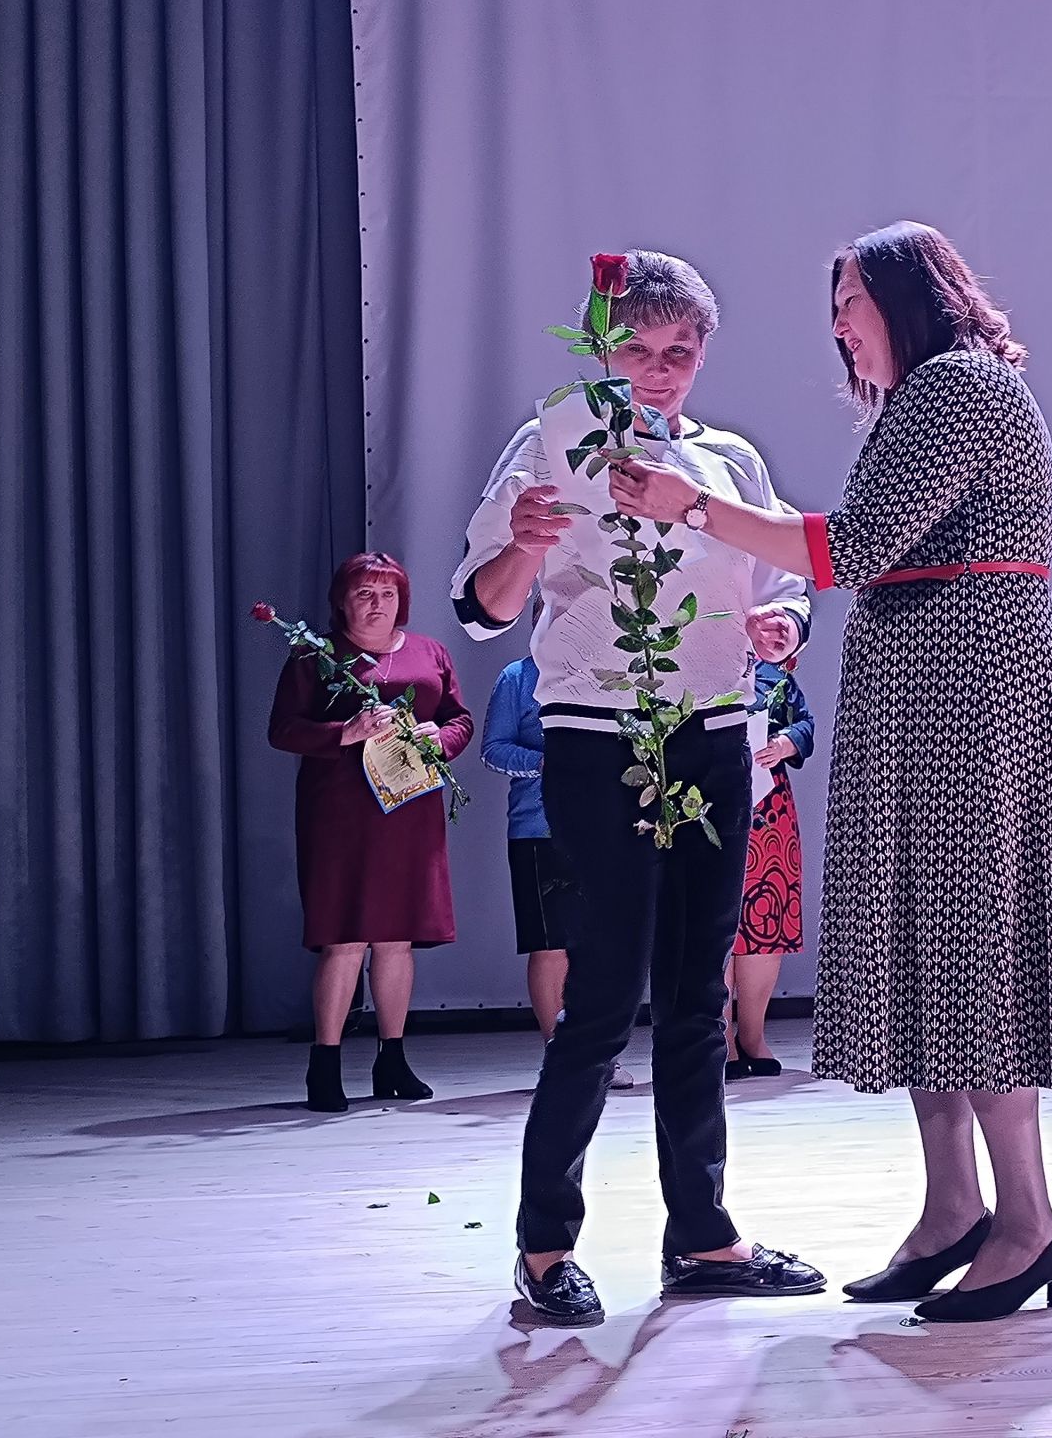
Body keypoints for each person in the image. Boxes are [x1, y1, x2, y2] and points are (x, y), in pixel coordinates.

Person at [611, 219, 1052, 1324]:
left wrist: (691, 504)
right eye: (833, 310)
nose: (839, 327)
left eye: (851, 303)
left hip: (974, 692)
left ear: (907, 295)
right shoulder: (920, 399)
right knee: (931, 944)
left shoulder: (958, 386)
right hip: (931, 692)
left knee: (975, 945)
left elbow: (851, 548)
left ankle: (1028, 1222)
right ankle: (954, 1210)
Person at [453, 250, 819, 1327]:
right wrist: (523, 548)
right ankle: (544, 1246)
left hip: (714, 733)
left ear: (704, 353)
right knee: (605, 993)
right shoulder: (551, 443)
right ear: (603, 350)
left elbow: (786, 580)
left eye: (680, 351)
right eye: (639, 350)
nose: (659, 371)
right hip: (594, 732)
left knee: (699, 995)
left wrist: (782, 625)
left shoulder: (729, 459)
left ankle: (701, 1235)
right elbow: (481, 605)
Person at [267, 552, 474, 1113]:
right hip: (341, 816)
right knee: (344, 937)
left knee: (396, 938)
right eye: (364, 593)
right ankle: (325, 1064)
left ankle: (393, 1059)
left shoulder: (430, 652)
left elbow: (459, 719)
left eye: (387, 593)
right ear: (342, 601)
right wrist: (345, 731)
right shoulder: (315, 654)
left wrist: (439, 739)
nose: (377, 603)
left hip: (410, 810)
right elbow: (282, 729)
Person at [479, 623, 634, 1090]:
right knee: (550, 944)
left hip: (608, 830)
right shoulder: (517, 677)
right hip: (538, 829)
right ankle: (560, 1056)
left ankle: (600, 1054)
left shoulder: (613, 674)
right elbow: (493, 749)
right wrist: (543, 762)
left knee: (603, 945)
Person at [724, 657, 816, 1081]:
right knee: (715, 922)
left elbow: (805, 725)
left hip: (768, 812)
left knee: (766, 920)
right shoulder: (694, 662)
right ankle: (720, 1036)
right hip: (707, 804)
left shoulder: (773, 675)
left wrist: (784, 743)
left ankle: (753, 1034)